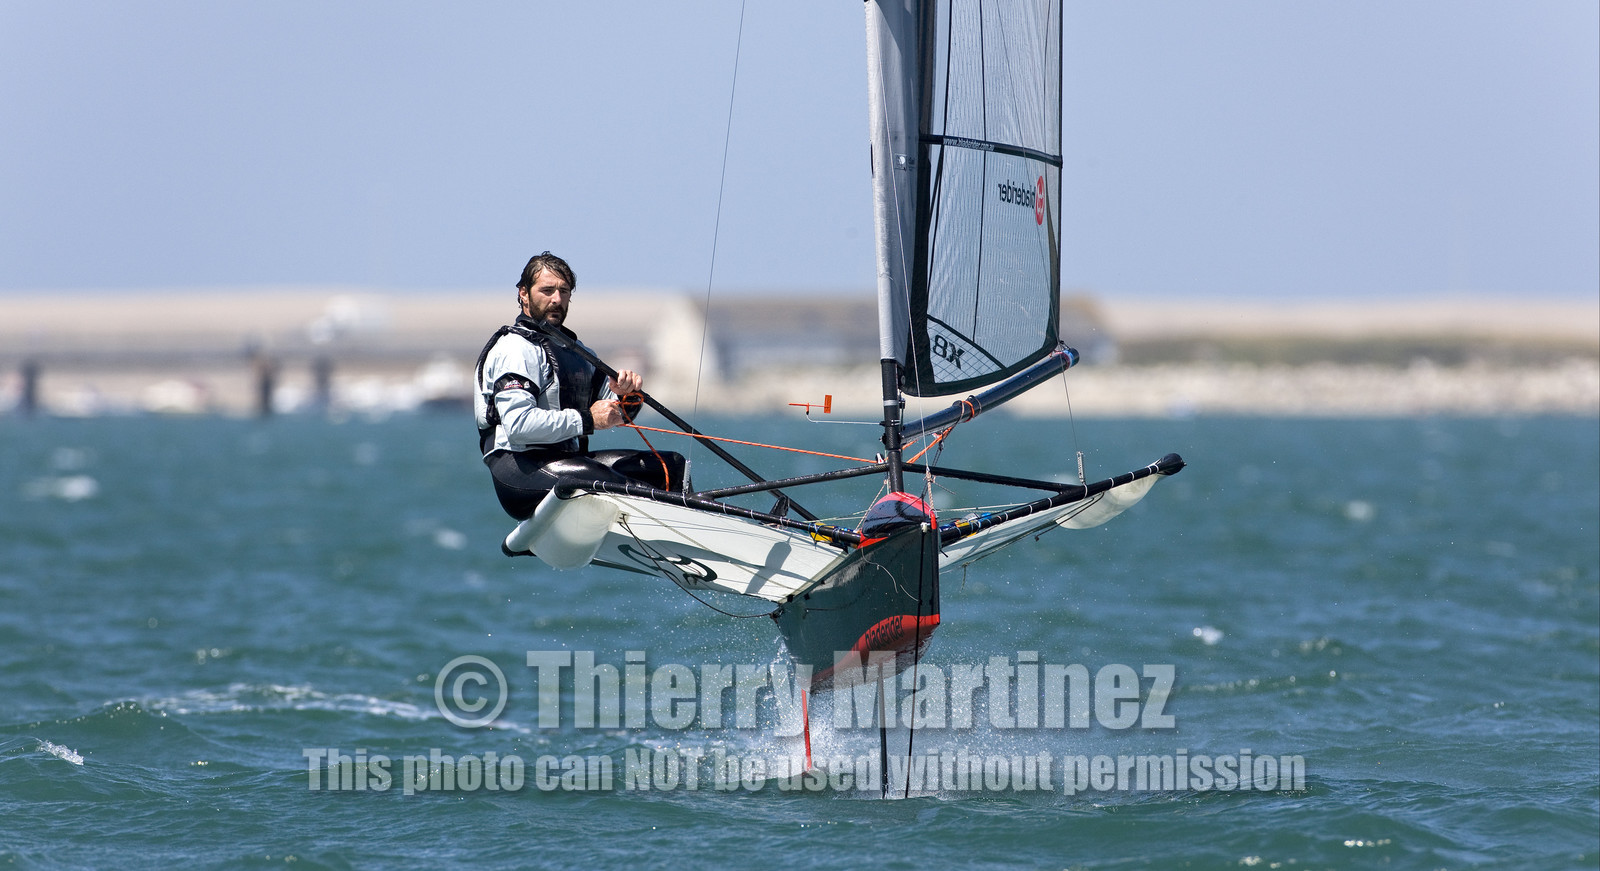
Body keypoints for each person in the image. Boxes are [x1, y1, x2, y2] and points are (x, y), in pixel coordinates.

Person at [474, 251, 686, 520]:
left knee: (670, 467)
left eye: (564, 291)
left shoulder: (578, 353)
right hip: (519, 471)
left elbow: (618, 415)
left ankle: (699, 535)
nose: (557, 299)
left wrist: (627, 396)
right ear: (523, 294)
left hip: (569, 463)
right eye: (547, 290)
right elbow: (519, 427)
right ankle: (671, 529)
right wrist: (588, 419)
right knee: (605, 482)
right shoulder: (515, 349)